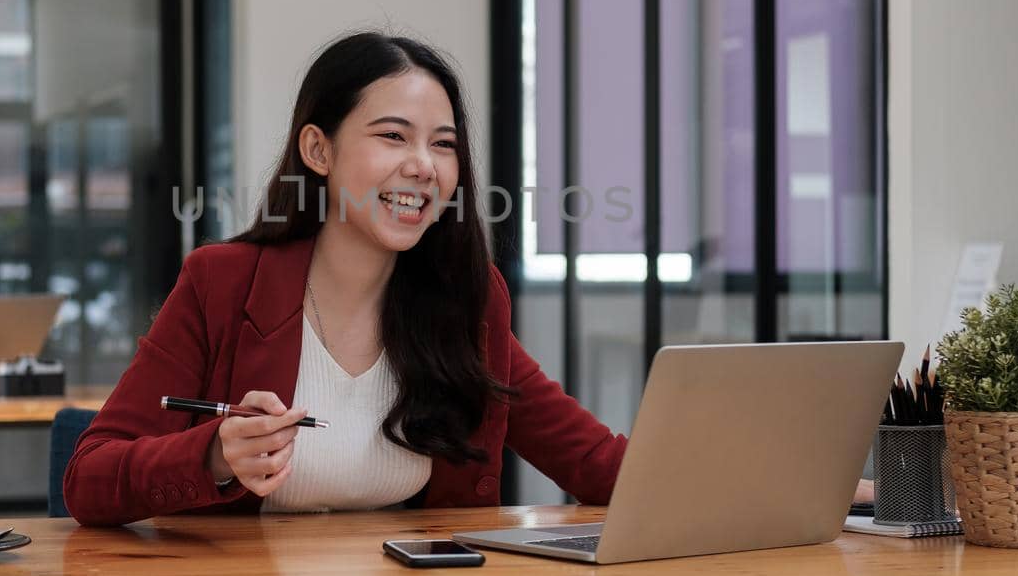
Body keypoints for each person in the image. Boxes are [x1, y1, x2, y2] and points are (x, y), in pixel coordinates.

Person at [64, 31, 872, 525]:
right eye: (392, 135)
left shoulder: (465, 300)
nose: (423, 165)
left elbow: (593, 462)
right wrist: (211, 454)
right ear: (319, 151)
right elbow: (89, 478)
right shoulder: (221, 282)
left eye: (444, 144)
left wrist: (807, 486)